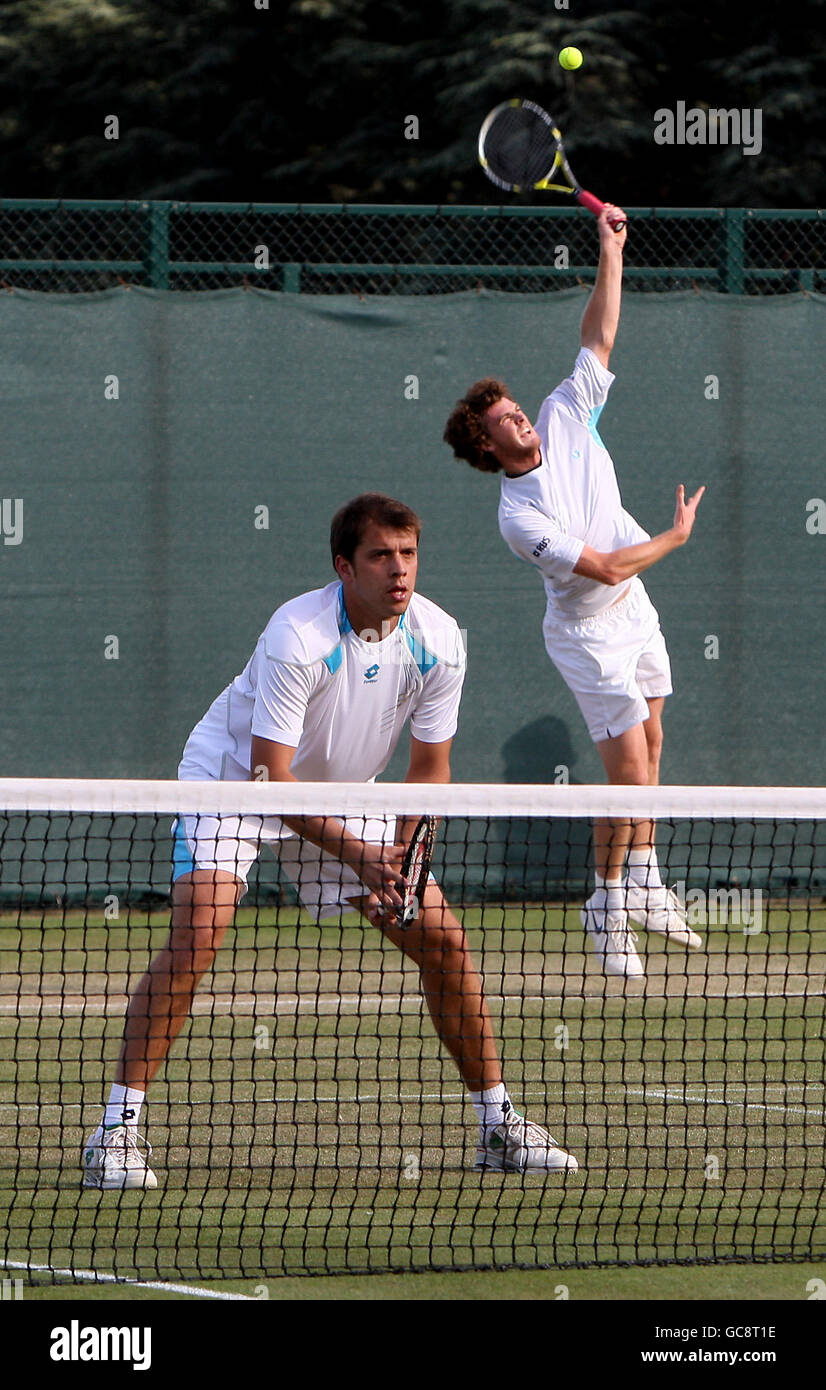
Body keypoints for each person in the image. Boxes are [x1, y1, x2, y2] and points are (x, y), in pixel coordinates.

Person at [82, 493, 578, 1190]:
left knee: (446, 942)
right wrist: (361, 856)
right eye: (380, 556)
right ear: (344, 566)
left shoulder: (439, 640)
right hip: (238, 781)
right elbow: (271, 777)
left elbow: (430, 770)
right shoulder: (298, 634)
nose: (398, 571)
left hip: (346, 795)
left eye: (408, 555)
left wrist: (405, 860)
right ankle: (116, 1132)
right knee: (199, 933)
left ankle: (498, 1126)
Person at [443, 208, 705, 979]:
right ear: (488, 448)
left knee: (655, 741)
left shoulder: (565, 413)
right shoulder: (521, 518)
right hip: (589, 630)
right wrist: (675, 536)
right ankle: (604, 897)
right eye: (503, 421)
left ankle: (649, 877)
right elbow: (610, 568)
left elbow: (598, 338)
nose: (521, 416)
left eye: (516, 408)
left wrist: (609, 250)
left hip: (634, 612)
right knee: (627, 769)